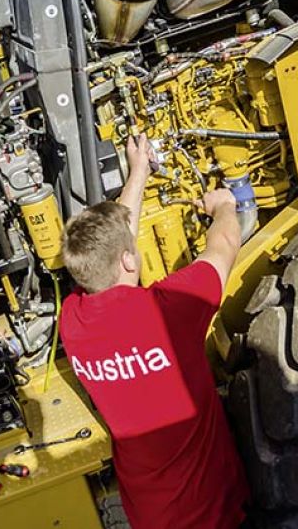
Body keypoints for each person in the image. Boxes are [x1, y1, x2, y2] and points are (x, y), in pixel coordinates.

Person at [59, 134, 249, 529]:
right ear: (129, 259)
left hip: (149, 515)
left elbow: (112, 242)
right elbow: (225, 245)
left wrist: (139, 171)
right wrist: (226, 207)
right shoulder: (167, 312)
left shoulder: (73, 320)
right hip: (212, 516)